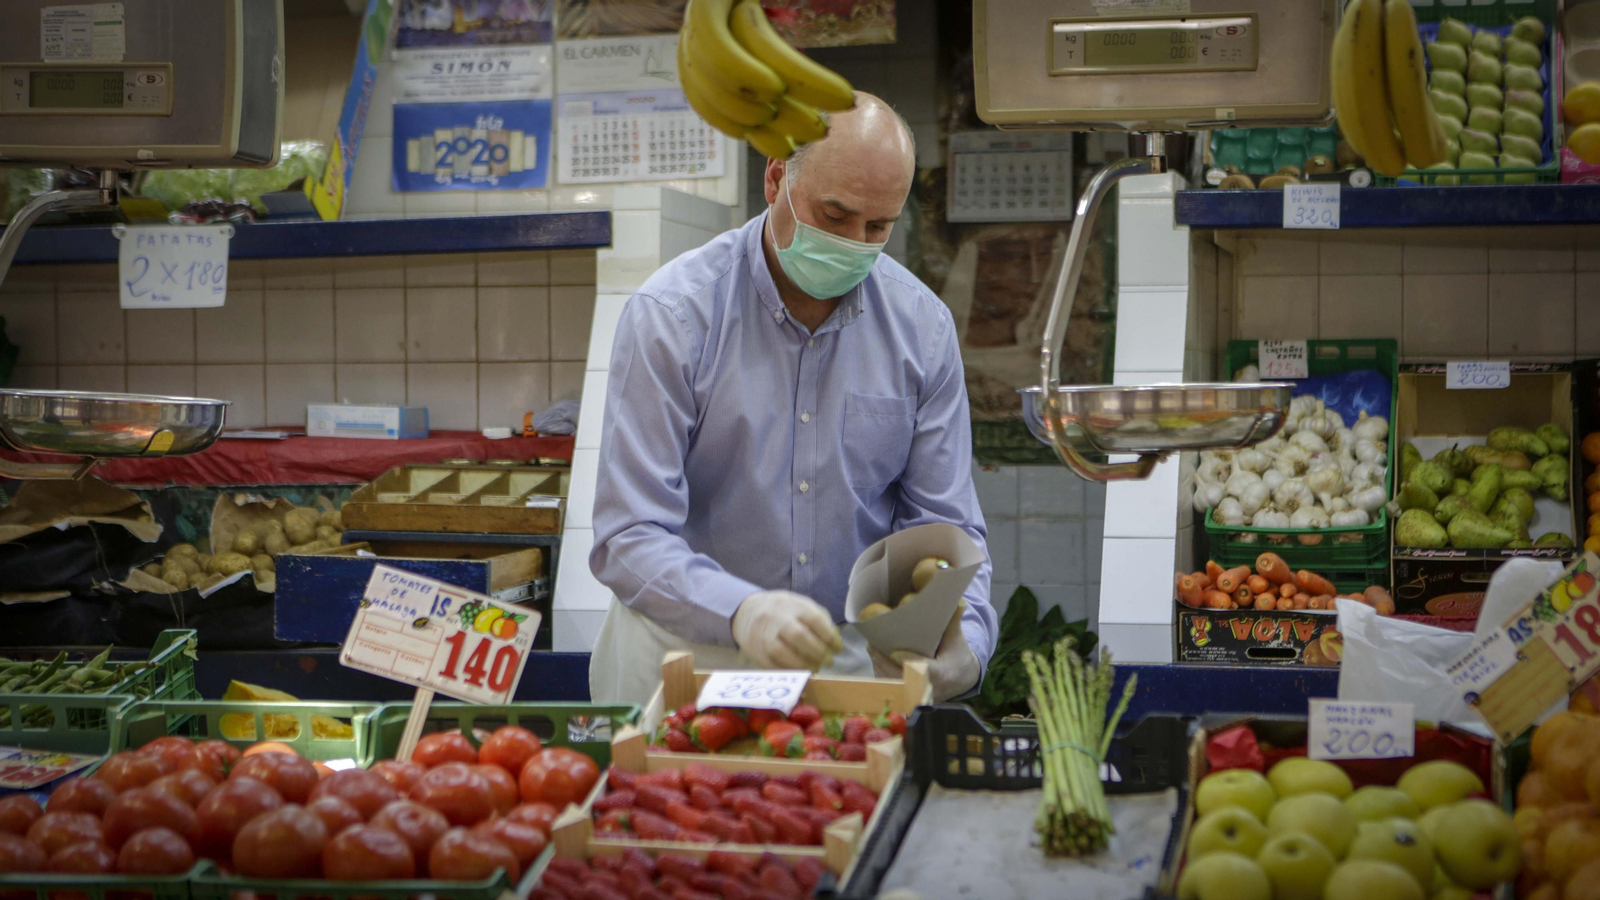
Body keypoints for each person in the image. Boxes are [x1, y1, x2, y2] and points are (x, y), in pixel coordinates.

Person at [587, 93, 996, 706]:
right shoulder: (674, 315)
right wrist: (741, 611)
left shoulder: (923, 331)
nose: (856, 244)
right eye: (834, 216)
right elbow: (628, 532)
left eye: (878, 227)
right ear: (776, 177)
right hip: (682, 659)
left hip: (844, 665)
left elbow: (942, 525)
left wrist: (966, 643)